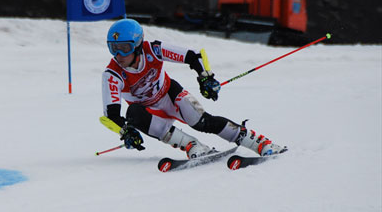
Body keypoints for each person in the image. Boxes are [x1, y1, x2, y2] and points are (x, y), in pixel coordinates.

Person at [101, 18, 286, 158]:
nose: (118, 55)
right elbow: (111, 114)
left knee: (202, 122)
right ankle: (192, 146)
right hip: (148, 110)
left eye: (124, 47)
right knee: (134, 113)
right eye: (113, 48)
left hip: (169, 94)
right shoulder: (112, 74)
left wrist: (205, 77)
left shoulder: (154, 50)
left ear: (138, 45)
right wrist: (126, 131)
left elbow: (193, 55)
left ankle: (258, 143)